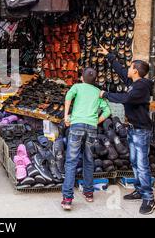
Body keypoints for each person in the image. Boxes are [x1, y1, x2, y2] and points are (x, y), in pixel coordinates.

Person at [98, 45, 155, 215]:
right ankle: (139, 190)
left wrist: (105, 94)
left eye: (131, 66)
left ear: (136, 71)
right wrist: (110, 56)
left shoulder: (142, 87)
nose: (128, 69)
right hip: (133, 129)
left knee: (142, 165)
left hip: (141, 131)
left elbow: (126, 99)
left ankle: (149, 198)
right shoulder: (135, 83)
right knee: (135, 162)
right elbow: (122, 73)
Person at [61, 68, 111, 211]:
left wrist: (66, 116)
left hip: (76, 125)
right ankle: (89, 193)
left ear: (82, 78)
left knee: (71, 161)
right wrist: (96, 121)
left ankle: (67, 199)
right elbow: (108, 111)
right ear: (95, 80)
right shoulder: (97, 92)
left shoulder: (76, 87)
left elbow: (68, 97)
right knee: (88, 161)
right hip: (91, 128)